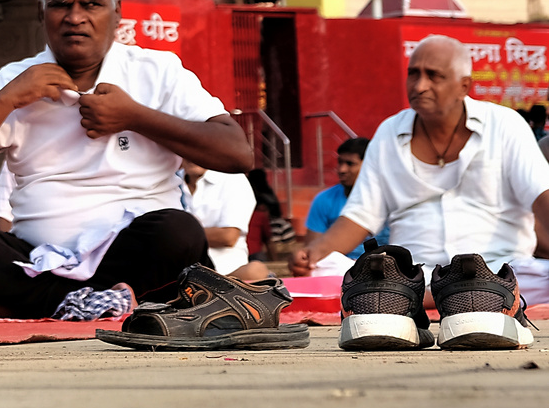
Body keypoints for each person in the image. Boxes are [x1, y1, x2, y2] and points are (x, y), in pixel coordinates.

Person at [0, 0, 252, 320]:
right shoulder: (13, 81)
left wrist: (135, 117)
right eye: (61, 4)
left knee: (179, 231)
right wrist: (8, 99)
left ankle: (33, 303)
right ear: (41, 11)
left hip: (137, 255)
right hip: (37, 257)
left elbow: (238, 154)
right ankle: (82, 303)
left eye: (92, 4)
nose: (75, 17)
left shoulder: (156, 71)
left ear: (117, 11)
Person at [292, 36, 549, 307]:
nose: (420, 86)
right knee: (320, 272)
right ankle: (444, 298)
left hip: (501, 274)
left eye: (433, 76)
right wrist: (314, 254)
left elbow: (541, 195)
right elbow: (360, 215)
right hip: (412, 275)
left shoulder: (505, 125)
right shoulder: (389, 132)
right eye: (413, 74)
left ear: (464, 86)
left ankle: (419, 300)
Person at [182, 162, 264, 280]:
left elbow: (228, 236)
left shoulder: (233, 179)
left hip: (227, 275)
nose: (192, 155)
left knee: (255, 271)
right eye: (186, 146)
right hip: (178, 277)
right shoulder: (168, 180)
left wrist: (177, 235)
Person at [304, 138, 386, 249]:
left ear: (369, 165)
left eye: (350, 164)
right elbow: (312, 251)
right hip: (338, 265)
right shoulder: (323, 200)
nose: (342, 169)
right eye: (340, 162)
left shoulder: (389, 199)